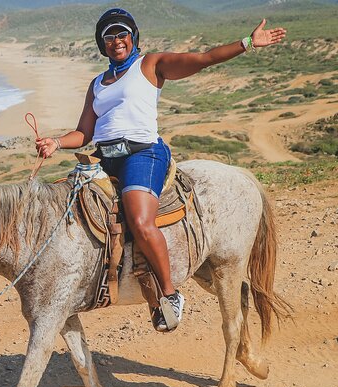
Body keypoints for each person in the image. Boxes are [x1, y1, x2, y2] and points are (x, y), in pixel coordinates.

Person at [35, 8, 286, 332]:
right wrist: (56, 142)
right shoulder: (97, 83)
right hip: (104, 157)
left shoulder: (150, 65)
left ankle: (168, 294)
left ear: (133, 37)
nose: (116, 41)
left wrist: (247, 42)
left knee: (139, 219)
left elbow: (203, 58)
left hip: (143, 154)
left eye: (122, 34)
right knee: (67, 211)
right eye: (109, 36)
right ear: (102, 44)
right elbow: (83, 132)